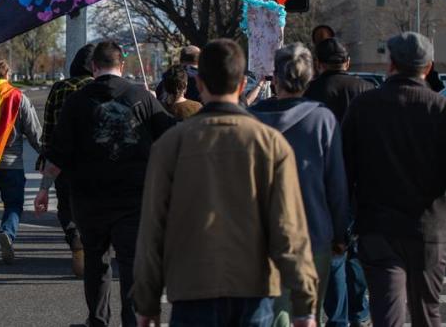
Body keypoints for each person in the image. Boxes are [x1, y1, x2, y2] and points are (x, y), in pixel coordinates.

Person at [133, 39, 319, 327]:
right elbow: (288, 228)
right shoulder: (270, 143)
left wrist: (146, 300)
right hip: (254, 288)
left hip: (192, 287)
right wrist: (304, 303)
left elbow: (152, 228)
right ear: (243, 84)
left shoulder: (171, 145)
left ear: (201, 83)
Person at [343, 31, 446, 327]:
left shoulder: (364, 107)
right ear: (428, 67)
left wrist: (341, 226)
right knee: (427, 311)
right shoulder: (445, 110)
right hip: (430, 228)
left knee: (386, 313)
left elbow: (344, 170)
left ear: (391, 64)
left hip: (378, 227)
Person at [50, 41, 175, 327]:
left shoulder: (77, 101)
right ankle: (132, 321)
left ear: (94, 67)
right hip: (134, 197)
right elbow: (169, 135)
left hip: (89, 198)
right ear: (121, 65)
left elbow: (58, 152)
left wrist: (49, 187)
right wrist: (156, 104)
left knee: (96, 262)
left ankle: (98, 320)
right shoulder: (141, 97)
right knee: (131, 264)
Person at [251, 43, 349, 326]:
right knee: (307, 314)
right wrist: (340, 233)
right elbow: (336, 184)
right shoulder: (322, 119)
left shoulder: (253, 119)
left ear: (276, 78)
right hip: (313, 232)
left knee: (269, 314)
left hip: (263, 233)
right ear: (309, 77)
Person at [304, 38, 373, 327]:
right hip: (361, 181)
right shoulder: (366, 90)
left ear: (318, 64)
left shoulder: (310, 92)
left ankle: (339, 316)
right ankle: (360, 311)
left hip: (323, 180)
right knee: (357, 252)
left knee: (334, 251)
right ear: (347, 62)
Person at [33, 43, 95, 278]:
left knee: (65, 207)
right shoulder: (98, 87)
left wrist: (45, 161)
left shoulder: (59, 88)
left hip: (63, 161)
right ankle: (91, 246)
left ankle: (74, 237)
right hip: (94, 161)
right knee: (92, 206)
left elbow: (47, 130)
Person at [0, 58, 42, 263]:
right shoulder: (17, 97)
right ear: (7, 75)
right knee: (14, 204)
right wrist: (45, 152)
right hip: (11, 164)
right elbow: (33, 131)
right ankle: (7, 232)